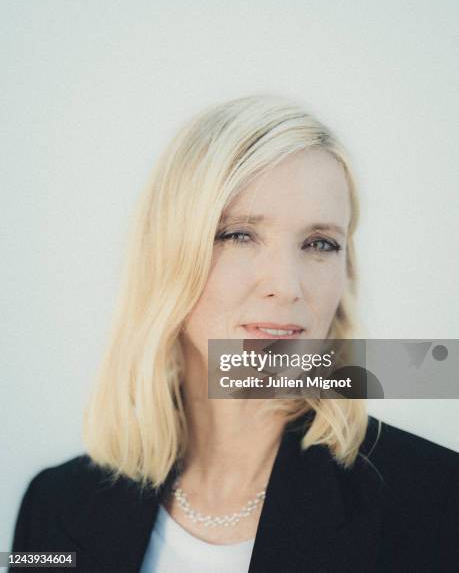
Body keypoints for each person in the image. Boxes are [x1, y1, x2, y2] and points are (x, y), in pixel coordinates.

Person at [10, 95, 458, 572]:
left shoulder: (438, 501)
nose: (286, 286)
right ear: (166, 256)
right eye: (239, 234)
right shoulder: (55, 506)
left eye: (319, 243)